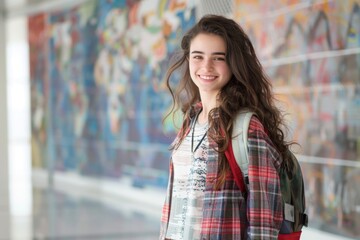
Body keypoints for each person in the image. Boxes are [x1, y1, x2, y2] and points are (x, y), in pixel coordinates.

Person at [160, 14, 292, 240]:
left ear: (234, 63)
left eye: (218, 58)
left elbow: (262, 223)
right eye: (198, 56)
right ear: (188, 60)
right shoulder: (190, 122)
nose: (206, 66)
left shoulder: (246, 128)